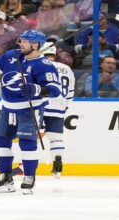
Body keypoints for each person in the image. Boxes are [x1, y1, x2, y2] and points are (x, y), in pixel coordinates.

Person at [0, 29, 60, 194]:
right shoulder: (12, 55)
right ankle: (6, 177)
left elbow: (55, 89)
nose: (21, 43)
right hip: (7, 107)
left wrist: (36, 89)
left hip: (29, 109)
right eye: (21, 40)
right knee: (0, 140)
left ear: (36, 45)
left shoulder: (44, 65)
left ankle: (29, 176)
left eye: (25, 41)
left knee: (27, 143)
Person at [40, 42, 75, 178]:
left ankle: (27, 166)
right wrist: (63, 107)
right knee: (56, 139)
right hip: (58, 108)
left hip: (41, 105)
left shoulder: (40, 66)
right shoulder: (67, 68)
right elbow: (71, 93)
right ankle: (58, 168)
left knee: (30, 138)